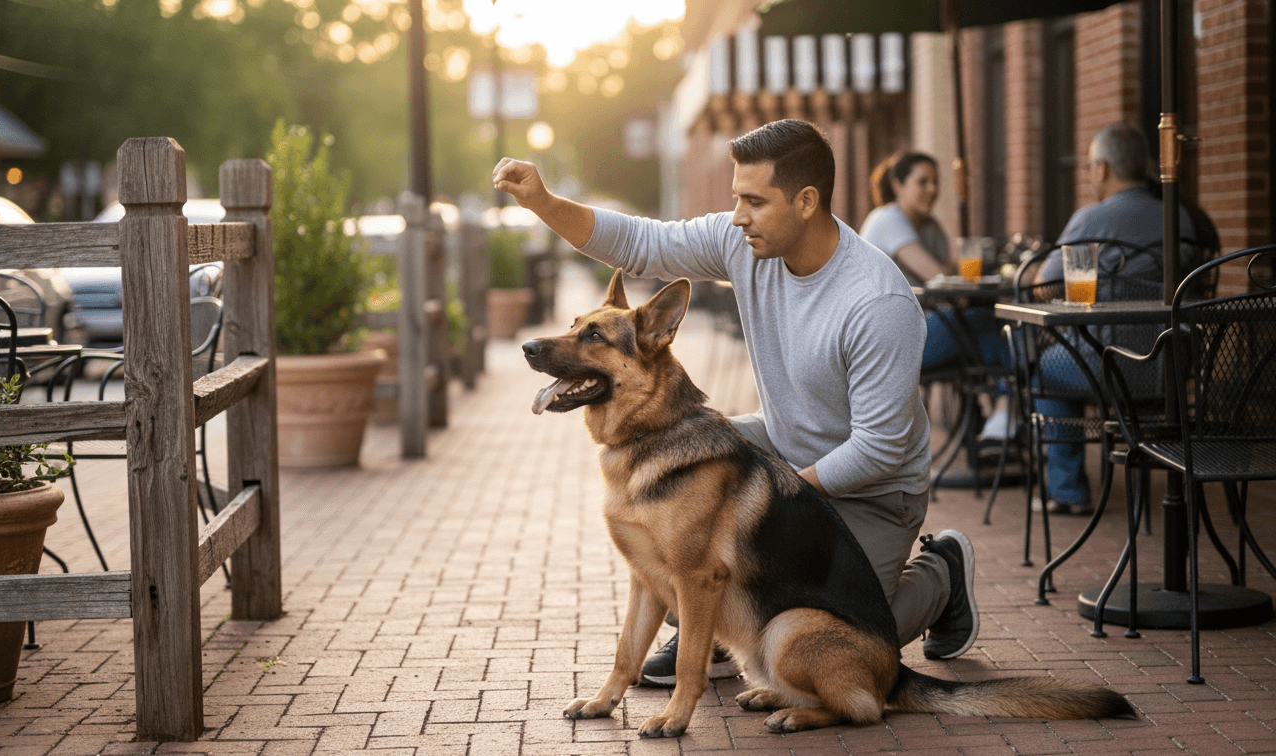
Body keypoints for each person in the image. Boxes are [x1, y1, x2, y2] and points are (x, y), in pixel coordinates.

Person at [492, 119, 981, 684]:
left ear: (805, 202)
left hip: (875, 489)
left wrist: (775, 500)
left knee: (845, 640)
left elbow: (879, 448)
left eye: (753, 200)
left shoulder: (876, 303)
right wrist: (544, 202)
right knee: (683, 522)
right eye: (735, 199)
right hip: (781, 444)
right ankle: (716, 634)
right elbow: (640, 243)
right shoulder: (743, 240)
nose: (738, 215)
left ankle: (940, 575)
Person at [1031, 122, 1216, 514]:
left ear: (1100, 168)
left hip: (1105, 364)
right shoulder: (1178, 216)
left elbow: (1042, 283)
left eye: (1087, 167)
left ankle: (1067, 491)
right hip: (1171, 365)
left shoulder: (1090, 218)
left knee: (1044, 365)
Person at [859, 151, 1008, 385]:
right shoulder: (888, 218)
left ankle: (997, 410)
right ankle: (1005, 409)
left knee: (990, 334)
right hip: (888, 341)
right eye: (923, 182)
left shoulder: (927, 225)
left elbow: (955, 266)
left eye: (936, 182)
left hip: (915, 325)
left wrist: (939, 229)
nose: (932, 189)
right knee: (991, 322)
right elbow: (937, 274)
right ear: (898, 186)